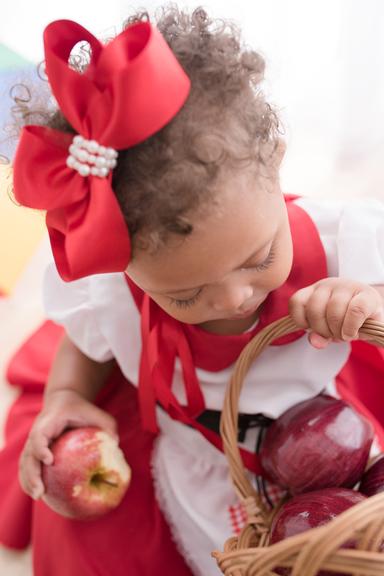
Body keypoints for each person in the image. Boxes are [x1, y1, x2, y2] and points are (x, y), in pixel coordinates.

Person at [1, 5, 384, 576]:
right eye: (184, 294)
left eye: (258, 259)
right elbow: (88, 341)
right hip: (186, 436)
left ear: (277, 167)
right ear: (125, 268)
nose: (233, 299)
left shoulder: (342, 240)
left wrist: (363, 299)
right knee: (106, 551)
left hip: (320, 425)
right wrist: (66, 396)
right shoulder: (114, 287)